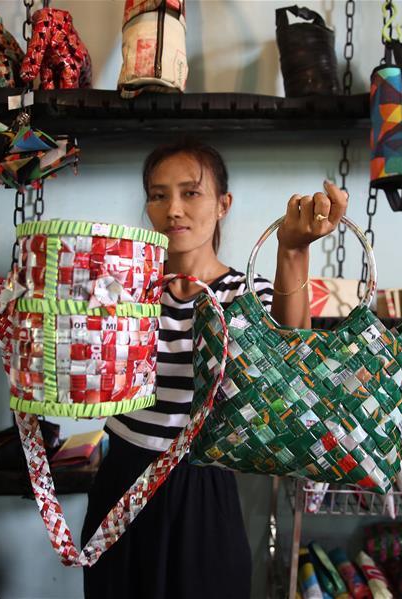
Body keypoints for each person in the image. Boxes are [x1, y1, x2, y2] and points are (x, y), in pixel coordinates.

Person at [81, 138, 348, 598]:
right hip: (122, 479)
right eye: (158, 195)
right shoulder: (123, 288)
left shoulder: (244, 294)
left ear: (223, 204)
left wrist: (292, 250)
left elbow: (292, 359)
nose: (174, 209)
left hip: (204, 486)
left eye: (191, 192)